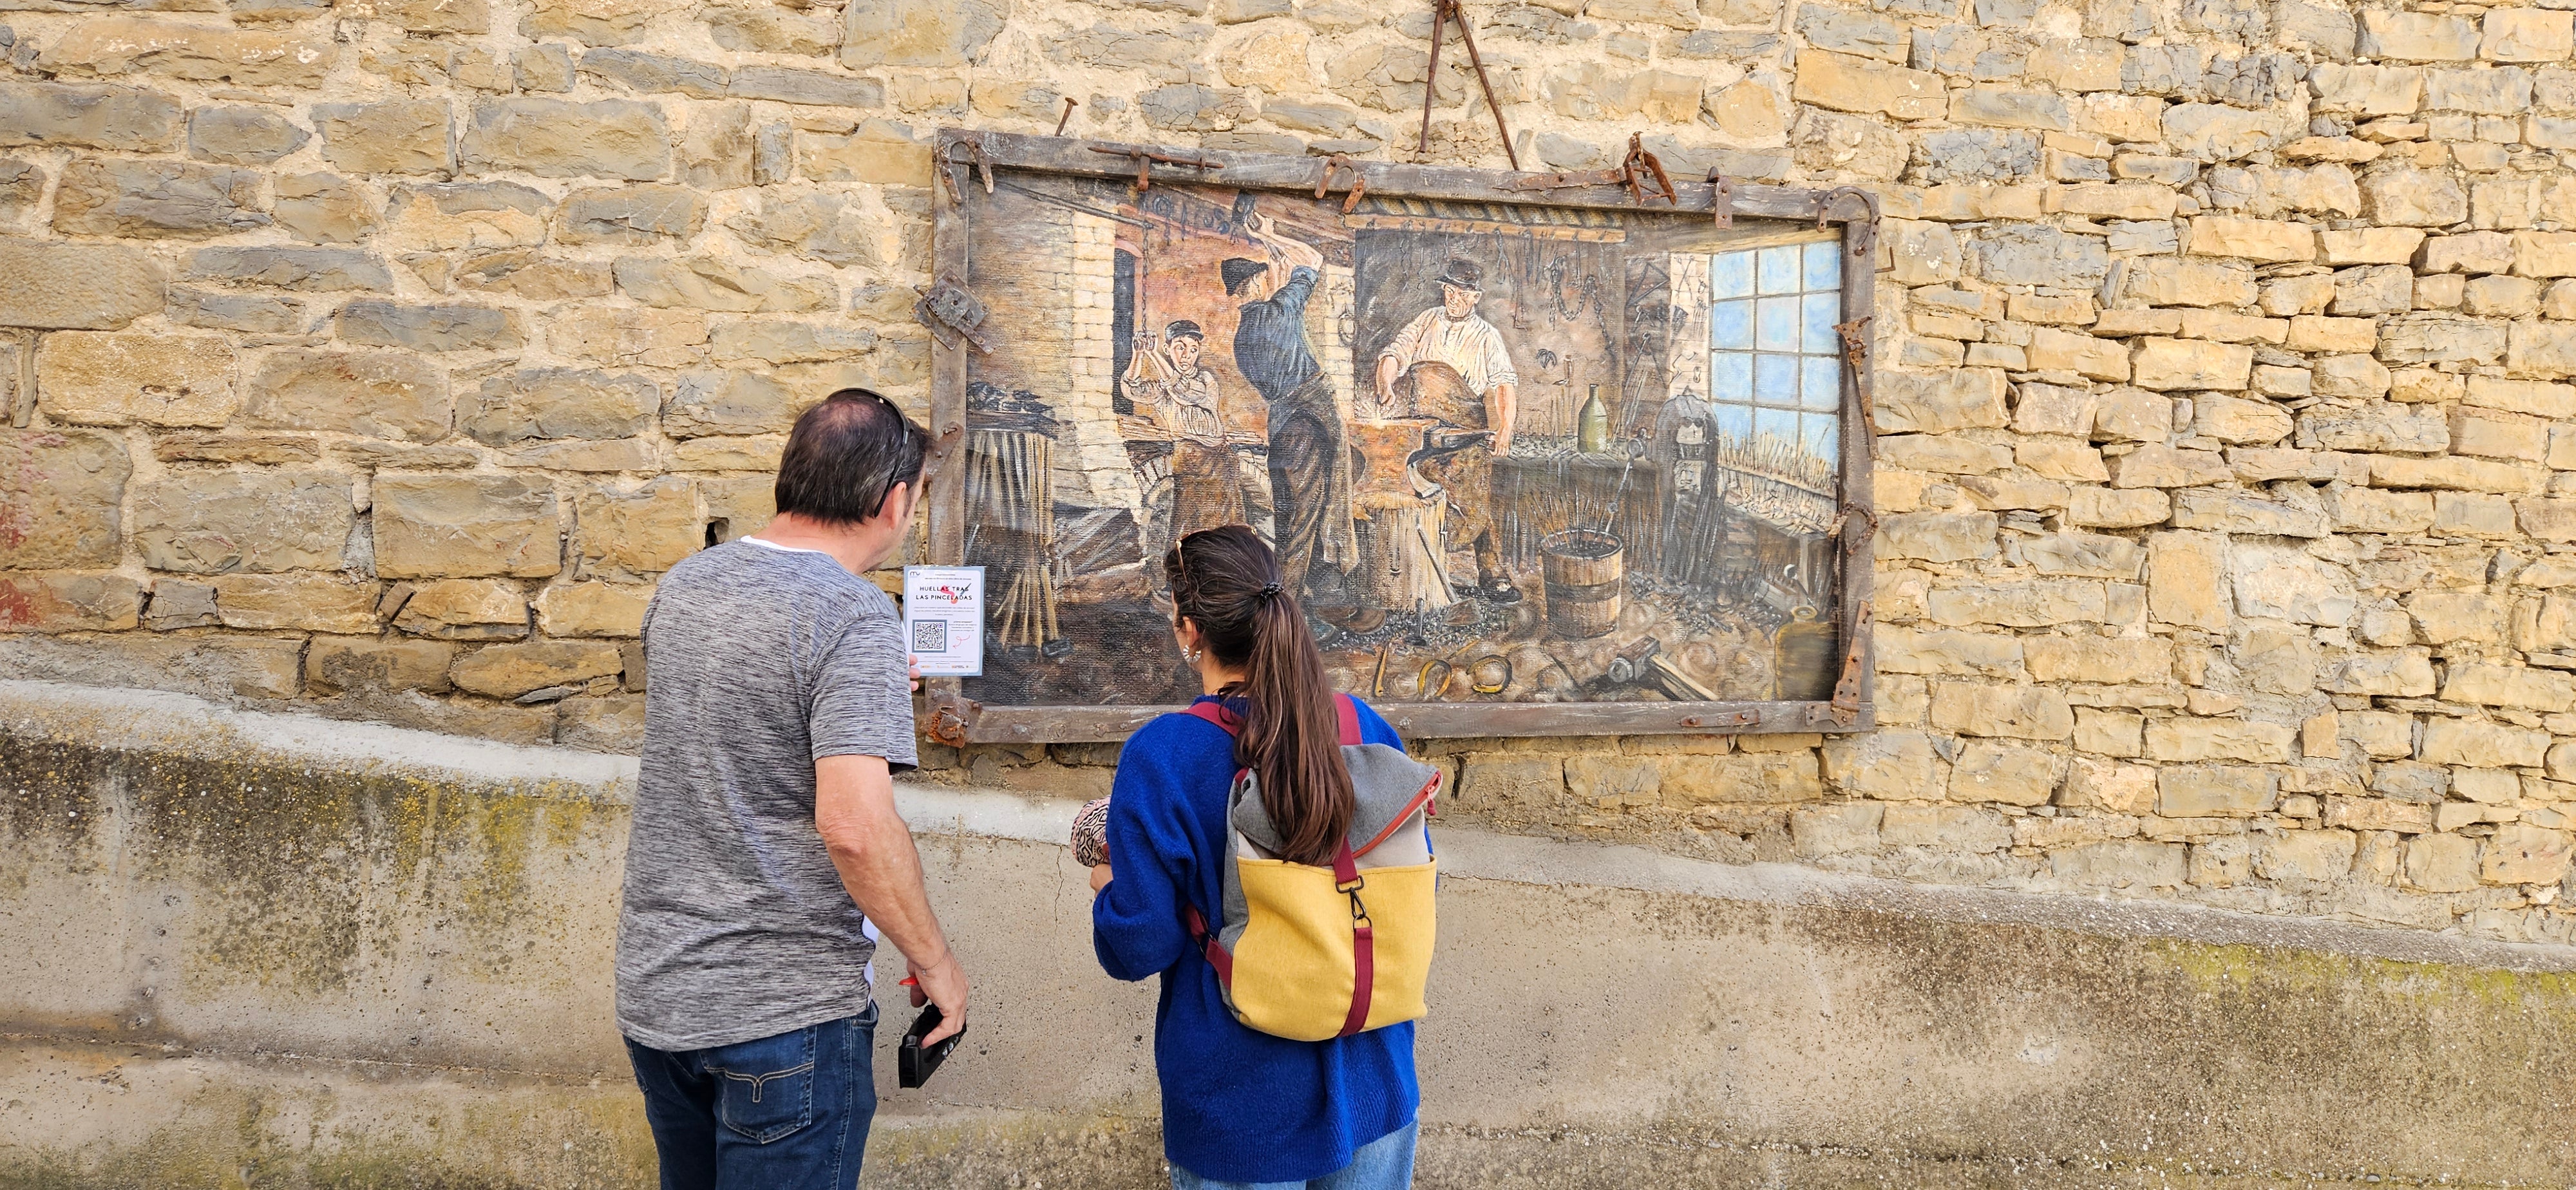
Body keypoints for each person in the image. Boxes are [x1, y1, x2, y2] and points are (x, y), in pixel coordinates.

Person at [617, 388, 970, 1189]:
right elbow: (853, 827)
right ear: (894, 500)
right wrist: (937, 964)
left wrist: (868, 691)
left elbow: (740, 724)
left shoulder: (687, 586)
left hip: (659, 994)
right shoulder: (852, 617)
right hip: (783, 1023)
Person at [1089, 525, 1421, 1189]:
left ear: (1189, 630)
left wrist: (1106, 881)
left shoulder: (1165, 755)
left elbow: (1138, 947)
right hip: (1374, 1076)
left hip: (1241, 1104)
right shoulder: (1360, 726)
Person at [1370, 258, 1522, 604]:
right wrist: (1385, 384)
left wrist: (1505, 429)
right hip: (1424, 432)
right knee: (1425, 501)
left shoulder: (1487, 337)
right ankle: (1426, 577)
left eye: (1461, 292)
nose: (1453, 297)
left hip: (1466, 435)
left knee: (1473, 506)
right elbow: (1396, 352)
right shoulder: (1426, 321)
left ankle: (1493, 575)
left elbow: (1503, 385)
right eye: (1449, 290)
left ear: (1475, 297)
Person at [1227, 212, 1358, 610]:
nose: (1271, 280)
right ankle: (1289, 612)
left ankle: (1305, 598)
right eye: (1263, 278)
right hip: (1310, 423)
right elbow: (1313, 259)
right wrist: (1270, 232)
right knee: (1305, 525)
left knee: (1289, 524)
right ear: (1253, 284)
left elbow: (1286, 273)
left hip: (1282, 427)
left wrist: (1271, 253)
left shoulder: (1241, 339)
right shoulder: (1281, 310)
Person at [1125, 319, 1247, 544]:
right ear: (1168, 349)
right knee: (1187, 526)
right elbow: (1132, 389)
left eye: (1193, 350)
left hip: (1218, 462)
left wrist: (1154, 356)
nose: (1186, 355)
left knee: (1227, 527)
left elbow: (1182, 390)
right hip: (1188, 461)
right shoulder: (1162, 389)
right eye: (1180, 347)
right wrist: (1139, 354)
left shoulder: (1204, 380)